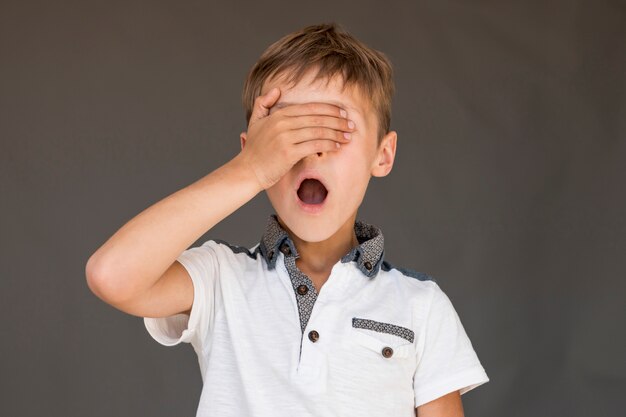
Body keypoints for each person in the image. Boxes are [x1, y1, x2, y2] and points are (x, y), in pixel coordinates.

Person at [86, 22, 489, 417]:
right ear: (254, 150)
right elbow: (111, 275)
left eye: (336, 127)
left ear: (382, 155)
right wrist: (248, 170)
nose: (310, 150)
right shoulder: (221, 279)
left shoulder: (421, 305)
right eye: (287, 131)